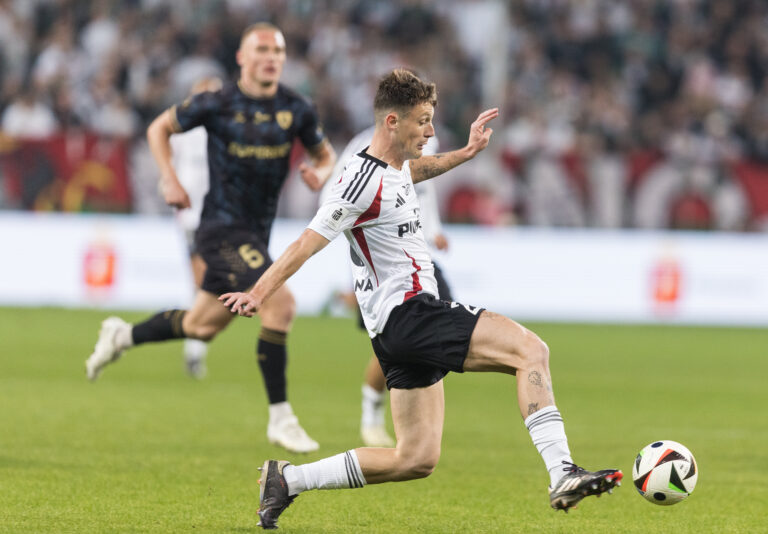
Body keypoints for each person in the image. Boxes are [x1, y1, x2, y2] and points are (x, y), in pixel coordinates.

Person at [219, 69, 622, 529]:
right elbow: (306, 243)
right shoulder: (357, 183)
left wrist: (466, 154)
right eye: (423, 121)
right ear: (392, 121)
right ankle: (562, 471)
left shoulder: (392, 168)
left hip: (394, 331)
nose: (430, 131)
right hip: (411, 315)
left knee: (415, 458)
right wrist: (258, 293)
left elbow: (414, 170)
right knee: (531, 350)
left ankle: (287, 481)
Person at [85, 22, 337, 454]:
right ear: (242, 57)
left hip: (256, 235)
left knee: (200, 327)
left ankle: (121, 336)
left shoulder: (296, 108)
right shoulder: (216, 103)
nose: (271, 57)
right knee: (281, 303)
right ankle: (281, 418)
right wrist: (169, 179)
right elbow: (157, 129)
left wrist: (322, 173)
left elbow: (325, 153)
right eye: (261, 49)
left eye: (277, 50)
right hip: (219, 230)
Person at [324, 125, 453, 447]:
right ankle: (372, 418)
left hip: (418, 254)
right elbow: (337, 194)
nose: (428, 126)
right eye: (422, 113)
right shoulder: (364, 143)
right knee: (393, 342)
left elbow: (426, 188)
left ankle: (410, 421)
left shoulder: (428, 139)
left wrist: (433, 227)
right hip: (382, 259)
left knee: (431, 333)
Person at [169, 76, 222, 380]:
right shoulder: (183, 128)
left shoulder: (224, 130)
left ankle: (194, 345)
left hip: (217, 213)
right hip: (193, 215)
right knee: (203, 281)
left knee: (209, 283)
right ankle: (194, 348)